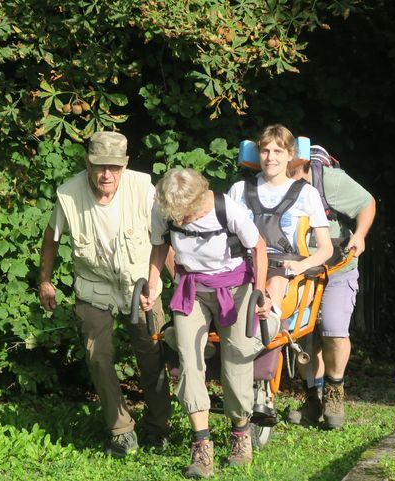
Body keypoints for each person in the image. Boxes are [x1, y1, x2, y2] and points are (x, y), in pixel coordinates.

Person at [38, 131, 171, 457]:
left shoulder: (143, 188)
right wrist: (44, 280)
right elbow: (51, 237)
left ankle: (159, 428)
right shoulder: (69, 194)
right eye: (99, 166)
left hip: (141, 286)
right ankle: (121, 431)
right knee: (98, 358)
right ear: (88, 163)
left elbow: (162, 240)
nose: (106, 174)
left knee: (153, 358)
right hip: (93, 288)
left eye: (114, 167)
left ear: (124, 165)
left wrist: (160, 284)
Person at [141, 168, 271, 479]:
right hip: (192, 288)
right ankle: (201, 445)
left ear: (200, 199)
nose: (180, 220)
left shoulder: (228, 210)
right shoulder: (165, 210)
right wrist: (152, 284)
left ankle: (240, 432)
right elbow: (160, 247)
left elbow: (259, 247)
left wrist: (260, 291)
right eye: (176, 215)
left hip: (235, 286)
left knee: (237, 355)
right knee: (188, 357)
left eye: (185, 214)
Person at [285, 144, 376, 429]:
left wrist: (360, 235)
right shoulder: (269, 184)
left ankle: (335, 392)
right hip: (298, 269)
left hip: (336, 266)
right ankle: (313, 395)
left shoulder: (329, 180)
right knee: (301, 335)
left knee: (334, 331)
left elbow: (367, 203)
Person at [228, 124, 334, 318]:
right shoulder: (239, 190)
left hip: (283, 270)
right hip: (244, 264)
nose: (271, 158)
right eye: (265, 151)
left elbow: (326, 248)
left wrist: (301, 266)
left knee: (274, 284)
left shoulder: (307, 193)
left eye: (278, 151)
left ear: (290, 154)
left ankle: (268, 325)